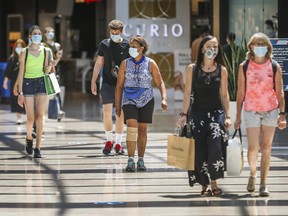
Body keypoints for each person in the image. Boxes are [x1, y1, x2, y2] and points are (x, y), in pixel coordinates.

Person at [177, 35, 231, 196]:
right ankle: (204, 184)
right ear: (202, 49)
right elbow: (187, 93)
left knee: (214, 146)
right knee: (199, 149)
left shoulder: (222, 70)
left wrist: (228, 116)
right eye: (209, 46)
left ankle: (214, 181)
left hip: (216, 114)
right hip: (197, 115)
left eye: (215, 47)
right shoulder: (192, 69)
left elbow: (224, 95)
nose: (212, 50)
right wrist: (183, 114)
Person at [234, 32, 286, 197]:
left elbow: (279, 92)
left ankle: (263, 184)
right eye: (257, 44)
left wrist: (282, 114)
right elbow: (240, 92)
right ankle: (252, 174)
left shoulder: (274, 66)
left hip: (270, 110)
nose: (260, 47)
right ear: (251, 46)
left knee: (267, 147)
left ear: (268, 47)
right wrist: (237, 116)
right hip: (251, 110)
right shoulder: (244, 66)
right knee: (253, 148)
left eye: (263, 44)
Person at [115, 35, 167, 172]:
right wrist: (117, 104)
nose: (130, 49)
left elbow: (160, 81)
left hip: (146, 99)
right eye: (130, 47)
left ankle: (141, 159)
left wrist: (164, 98)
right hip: (129, 99)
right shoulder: (125, 63)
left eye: (133, 47)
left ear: (141, 48)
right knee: (132, 127)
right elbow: (119, 85)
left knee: (142, 129)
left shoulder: (151, 63)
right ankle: (130, 159)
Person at [91, 20, 130, 155]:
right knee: (106, 112)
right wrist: (93, 80)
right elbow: (99, 63)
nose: (114, 35)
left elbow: (130, 65)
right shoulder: (104, 44)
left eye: (116, 33)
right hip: (107, 83)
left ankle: (118, 143)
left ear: (121, 32)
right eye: (112, 33)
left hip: (122, 85)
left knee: (120, 114)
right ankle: (109, 140)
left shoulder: (127, 45)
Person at [17, 25, 56, 158]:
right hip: (27, 83)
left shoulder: (45, 51)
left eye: (39, 33)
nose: (38, 36)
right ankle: (29, 137)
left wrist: (51, 65)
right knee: (30, 119)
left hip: (41, 83)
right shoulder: (24, 52)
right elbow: (21, 72)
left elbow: (46, 71)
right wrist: (20, 92)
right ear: (30, 36)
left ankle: (38, 148)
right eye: (35, 33)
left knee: (40, 117)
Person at [43, 26, 64, 121]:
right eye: (48, 32)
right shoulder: (42, 45)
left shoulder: (57, 45)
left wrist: (59, 58)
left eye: (52, 31)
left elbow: (57, 60)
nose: (50, 33)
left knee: (56, 90)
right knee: (44, 91)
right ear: (44, 34)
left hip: (55, 70)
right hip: (44, 70)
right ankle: (43, 111)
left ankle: (58, 110)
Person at [2, 39, 26, 124]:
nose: (19, 49)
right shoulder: (12, 58)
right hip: (15, 82)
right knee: (16, 99)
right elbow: (8, 72)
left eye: (21, 47)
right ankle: (19, 117)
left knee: (27, 98)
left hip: (25, 81)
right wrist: (5, 82)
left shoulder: (27, 57)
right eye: (17, 47)